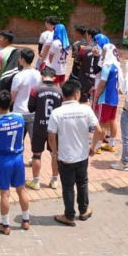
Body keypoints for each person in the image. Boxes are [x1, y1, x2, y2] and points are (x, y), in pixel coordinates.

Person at [48, 80, 103, 226]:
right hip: (82, 154)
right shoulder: (86, 110)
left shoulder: (57, 113)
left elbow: (51, 137)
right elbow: (99, 131)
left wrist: (55, 153)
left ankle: (69, 215)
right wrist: (93, 147)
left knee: (68, 187)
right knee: (82, 183)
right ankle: (84, 210)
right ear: (77, 94)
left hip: (65, 156)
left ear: (63, 95)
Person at [0, 89, 30, 233]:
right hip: (18, 158)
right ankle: (26, 220)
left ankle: (5, 225)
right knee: (21, 190)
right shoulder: (20, 118)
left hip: (4, 159)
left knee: (5, 194)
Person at [26, 67, 62, 190]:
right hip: (55, 128)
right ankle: (54, 180)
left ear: (42, 76)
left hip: (39, 126)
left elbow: (31, 108)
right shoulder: (60, 91)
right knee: (54, 154)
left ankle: (36, 182)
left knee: (36, 154)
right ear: (54, 77)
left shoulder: (35, 90)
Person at [92, 40, 121, 154]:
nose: (102, 54)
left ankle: (98, 146)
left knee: (102, 122)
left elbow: (102, 83)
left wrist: (96, 96)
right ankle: (111, 144)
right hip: (114, 98)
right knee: (112, 120)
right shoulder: (116, 66)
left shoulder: (106, 67)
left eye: (103, 51)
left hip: (105, 98)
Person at [10, 48, 41, 150]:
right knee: (34, 141)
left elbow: (13, 96)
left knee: (17, 141)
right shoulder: (38, 74)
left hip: (19, 111)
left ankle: (17, 159)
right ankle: (35, 158)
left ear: (23, 60)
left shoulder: (18, 76)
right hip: (33, 112)